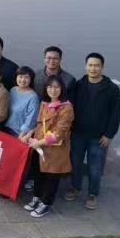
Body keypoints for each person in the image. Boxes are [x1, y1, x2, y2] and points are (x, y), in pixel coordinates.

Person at [65, 53, 120, 211]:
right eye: (90, 65)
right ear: (85, 66)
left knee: (95, 167)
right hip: (78, 134)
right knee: (75, 163)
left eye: (96, 65)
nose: (93, 68)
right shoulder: (78, 85)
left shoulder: (111, 89)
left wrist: (109, 135)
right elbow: (69, 107)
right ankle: (75, 187)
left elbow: (115, 114)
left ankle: (92, 193)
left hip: (99, 136)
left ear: (102, 67)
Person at [24, 75, 74, 218]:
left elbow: (59, 133)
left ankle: (46, 203)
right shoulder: (44, 103)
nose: (53, 90)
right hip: (39, 146)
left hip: (55, 149)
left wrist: (38, 142)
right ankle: (36, 197)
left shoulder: (67, 107)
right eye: (50, 87)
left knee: (51, 177)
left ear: (62, 88)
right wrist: (29, 134)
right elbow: (38, 124)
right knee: (38, 174)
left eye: (56, 87)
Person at [5, 66, 40, 141]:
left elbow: (31, 120)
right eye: (20, 77)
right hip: (6, 128)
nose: (23, 80)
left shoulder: (33, 97)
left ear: (31, 80)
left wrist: (21, 135)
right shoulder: (13, 90)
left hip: (19, 134)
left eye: (26, 77)